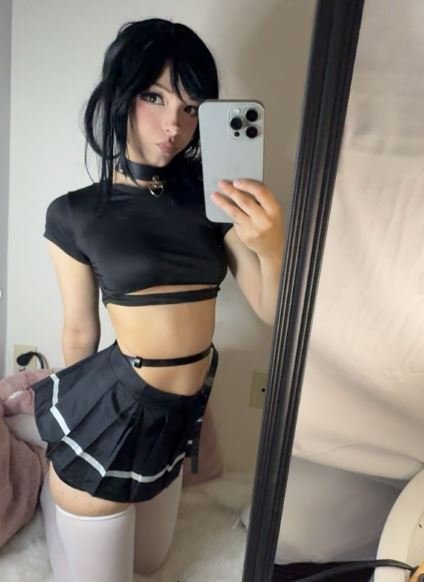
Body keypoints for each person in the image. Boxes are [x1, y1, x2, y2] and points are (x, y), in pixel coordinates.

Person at [32, 17, 284, 582]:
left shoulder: (214, 199)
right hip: (115, 414)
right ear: (120, 94)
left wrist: (271, 246)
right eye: (155, 97)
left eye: (191, 107)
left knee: (153, 565)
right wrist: (74, 426)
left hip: (177, 422)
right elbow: (80, 331)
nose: (174, 125)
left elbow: (273, 310)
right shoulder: (75, 212)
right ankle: (59, 491)